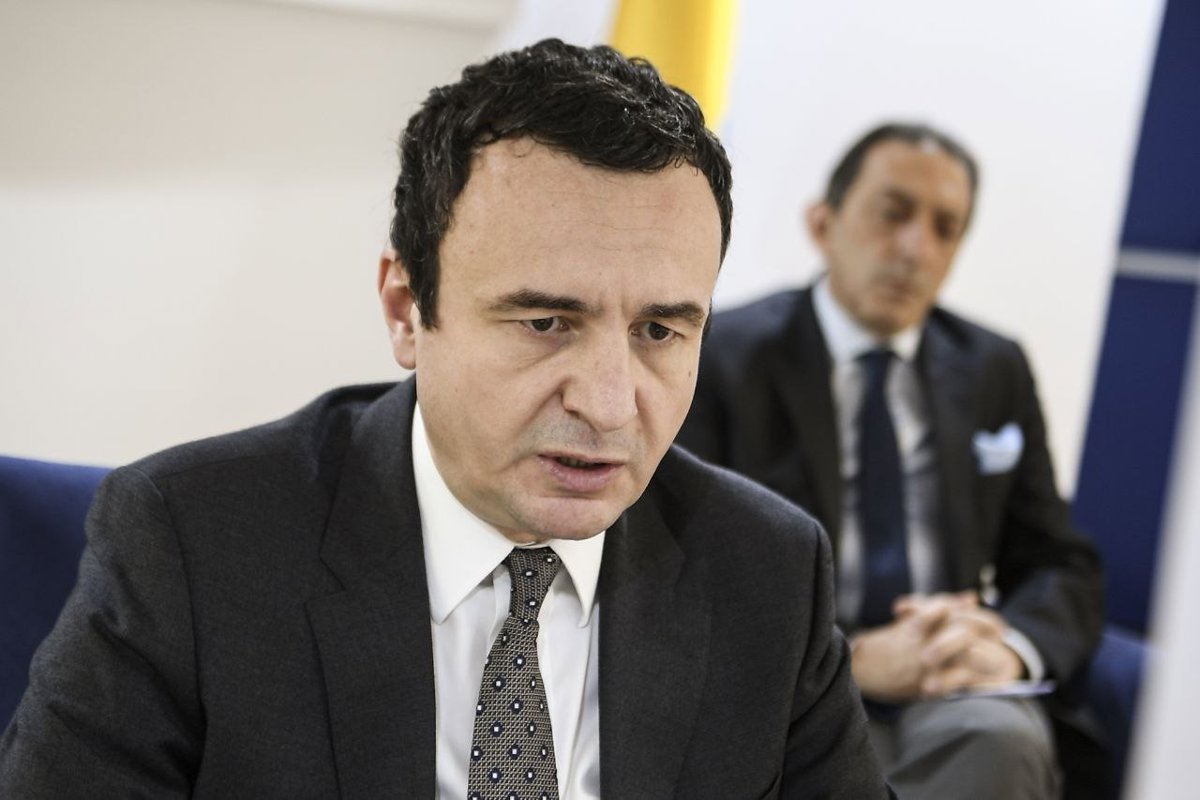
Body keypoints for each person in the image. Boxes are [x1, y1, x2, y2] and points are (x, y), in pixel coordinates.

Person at [0, 40, 893, 798]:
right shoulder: (192, 544)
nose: (609, 403)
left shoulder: (769, 572)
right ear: (406, 310)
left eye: (660, 331)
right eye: (545, 323)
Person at [677, 122, 1104, 799]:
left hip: (950, 688)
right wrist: (845, 656)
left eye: (945, 228)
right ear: (823, 224)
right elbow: (685, 567)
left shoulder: (993, 366)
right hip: (788, 682)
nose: (915, 248)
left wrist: (1005, 648)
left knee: (1003, 740)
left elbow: (1059, 561)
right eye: (893, 213)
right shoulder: (724, 354)